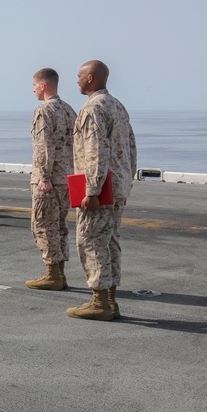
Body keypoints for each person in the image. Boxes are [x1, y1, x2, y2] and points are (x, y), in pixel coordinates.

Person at [67, 60, 137, 321]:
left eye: (80, 76)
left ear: (91, 78)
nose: (77, 80)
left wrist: (92, 191)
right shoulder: (117, 106)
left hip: (100, 189)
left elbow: (95, 152)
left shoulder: (92, 109)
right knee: (110, 243)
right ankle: (110, 300)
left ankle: (100, 302)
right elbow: (131, 149)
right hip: (117, 186)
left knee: (91, 242)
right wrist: (126, 183)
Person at [25, 69, 77, 291]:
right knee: (59, 225)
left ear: (43, 85)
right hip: (67, 178)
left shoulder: (44, 110)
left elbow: (43, 146)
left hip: (50, 179)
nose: (33, 89)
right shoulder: (69, 110)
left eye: (35, 85)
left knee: (44, 225)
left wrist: (43, 177)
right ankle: (60, 273)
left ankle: (52, 274)